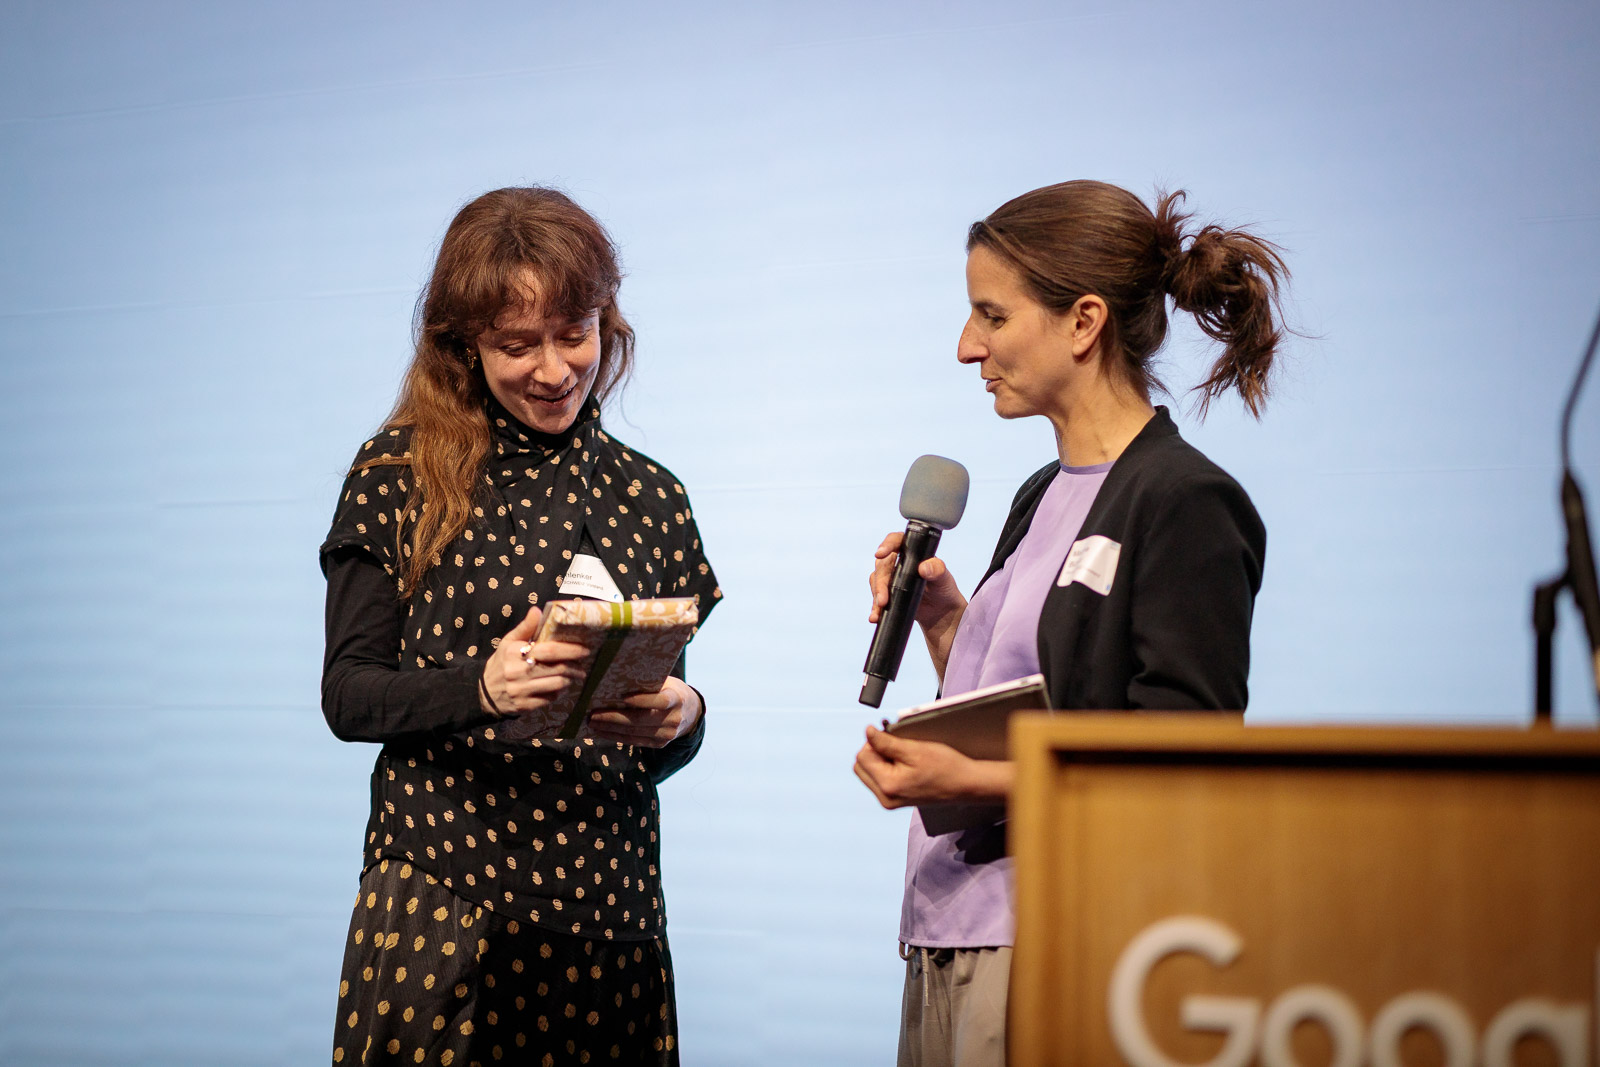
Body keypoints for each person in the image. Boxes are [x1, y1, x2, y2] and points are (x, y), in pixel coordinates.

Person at [852, 180, 1287, 1067]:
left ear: (1084, 321)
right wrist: (946, 624)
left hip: (1059, 937)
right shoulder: (1041, 493)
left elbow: (1180, 756)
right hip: (947, 927)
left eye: (992, 316)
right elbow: (1031, 700)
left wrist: (972, 779)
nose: (967, 346)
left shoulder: (1185, 501)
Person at [319, 187, 721, 1066]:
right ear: (465, 345)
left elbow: (657, 719)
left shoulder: (653, 497)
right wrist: (481, 685)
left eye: (573, 333)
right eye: (516, 344)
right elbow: (348, 694)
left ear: (606, 322)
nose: (553, 368)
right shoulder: (398, 471)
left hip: (610, 919)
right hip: (444, 905)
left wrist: (683, 717)